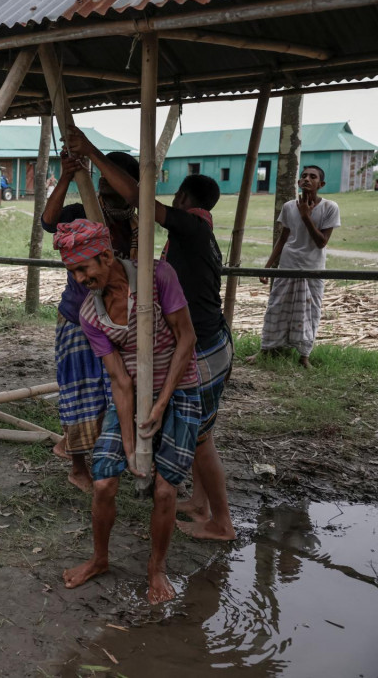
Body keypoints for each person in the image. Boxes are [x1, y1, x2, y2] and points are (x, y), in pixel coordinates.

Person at [67, 127, 235, 541]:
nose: (81, 278)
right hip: (205, 338)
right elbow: (120, 381)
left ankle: (222, 521)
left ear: (183, 200)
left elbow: (142, 201)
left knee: (201, 438)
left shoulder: (189, 229)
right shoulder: (193, 235)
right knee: (198, 436)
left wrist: (88, 150)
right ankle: (199, 503)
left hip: (204, 344)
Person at [54, 219, 200, 604]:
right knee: (103, 481)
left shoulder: (158, 276)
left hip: (180, 388)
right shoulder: (90, 313)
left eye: (83, 269)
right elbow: (119, 380)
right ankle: (99, 558)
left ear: (105, 256)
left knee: (166, 490)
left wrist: (162, 401)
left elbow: (187, 338)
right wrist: (132, 440)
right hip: (135, 395)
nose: (79, 278)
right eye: (72, 271)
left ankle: (157, 569)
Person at [41, 149, 141, 493]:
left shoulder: (136, 225)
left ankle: (113, 454)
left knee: (114, 391)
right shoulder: (83, 210)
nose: (108, 198)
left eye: (116, 193)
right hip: (78, 319)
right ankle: (78, 465)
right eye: (104, 190)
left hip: (118, 321)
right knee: (80, 392)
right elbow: (48, 221)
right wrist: (68, 175)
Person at [253, 166, 340, 368]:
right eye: (304, 176)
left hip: (313, 268)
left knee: (310, 311)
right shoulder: (289, 206)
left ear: (321, 184)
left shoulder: (330, 207)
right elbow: (283, 238)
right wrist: (267, 267)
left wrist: (305, 216)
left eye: (313, 176)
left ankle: (304, 356)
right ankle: (266, 349)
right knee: (276, 307)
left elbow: (321, 242)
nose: (307, 179)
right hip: (287, 265)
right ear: (299, 182)